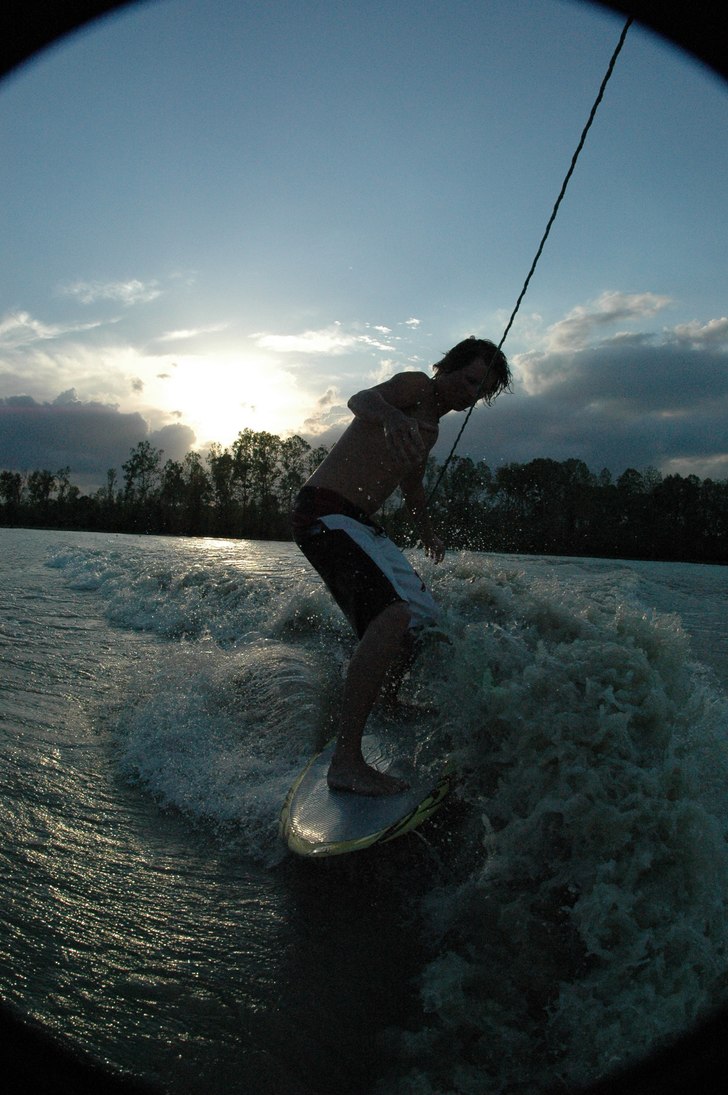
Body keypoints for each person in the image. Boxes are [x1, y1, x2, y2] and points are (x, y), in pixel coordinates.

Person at [292, 337, 510, 795]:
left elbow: (411, 483)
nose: (470, 395)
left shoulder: (431, 429)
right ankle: (346, 762)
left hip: (359, 523)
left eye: (481, 392)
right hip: (322, 510)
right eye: (470, 380)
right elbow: (361, 400)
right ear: (448, 368)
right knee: (393, 615)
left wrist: (427, 530)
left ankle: (387, 701)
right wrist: (390, 416)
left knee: (428, 623)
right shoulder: (413, 388)